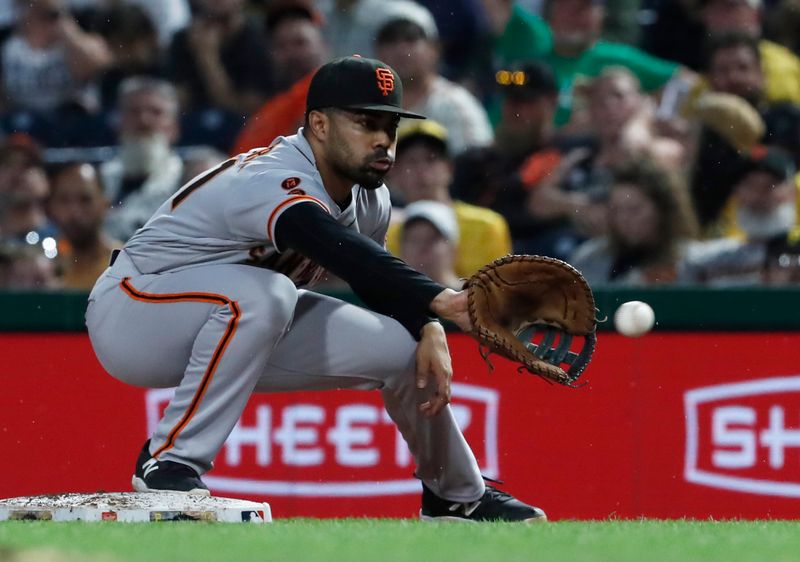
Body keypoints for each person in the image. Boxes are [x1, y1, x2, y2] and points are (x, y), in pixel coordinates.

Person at [85, 56, 545, 522]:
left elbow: (374, 276)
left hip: (233, 324)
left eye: (391, 124)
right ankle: (170, 461)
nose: (384, 138)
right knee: (268, 294)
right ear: (319, 124)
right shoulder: (271, 175)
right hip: (133, 310)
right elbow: (328, 241)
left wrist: (427, 326)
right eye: (366, 122)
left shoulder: (371, 197)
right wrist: (443, 300)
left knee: (403, 350)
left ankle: (456, 495)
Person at [385, 120, 511, 278]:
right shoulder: (387, 236)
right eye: (411, 161)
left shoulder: (488, 226)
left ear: (450, 168)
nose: (421, 170)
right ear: (393, 174)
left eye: (431, 159)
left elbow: (499, 294)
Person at [374, 17, 494, 156]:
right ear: (377, 52)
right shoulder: (364, 104)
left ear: (434, 50)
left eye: (411, 39)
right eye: (390, 41)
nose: (401, 49)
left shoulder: (456, 105)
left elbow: (478, 165)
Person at [570, 158, 699, 285]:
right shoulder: (588, 261)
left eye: (634, 209)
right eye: (616, 210)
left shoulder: (690, 262)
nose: (623, 219)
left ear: (662, 209)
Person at [99, 77, 184, 242]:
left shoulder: (187, 181)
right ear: (119, 123)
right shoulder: (100, 180)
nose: (144, 121)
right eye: (134, 112)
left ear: (174, 128)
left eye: (156, 112)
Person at [48, 161, 120, 290]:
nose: (74, 212)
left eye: (85, 199)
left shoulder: (125, 266)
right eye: (64, 200)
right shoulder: (44, 268)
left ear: (105, 205)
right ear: (52, 207)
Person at [400, 200, 463, 290]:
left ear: (453, 248)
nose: (421, 248)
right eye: (414, 240)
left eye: (431, 239)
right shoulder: (385, 300)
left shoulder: (475, 299)